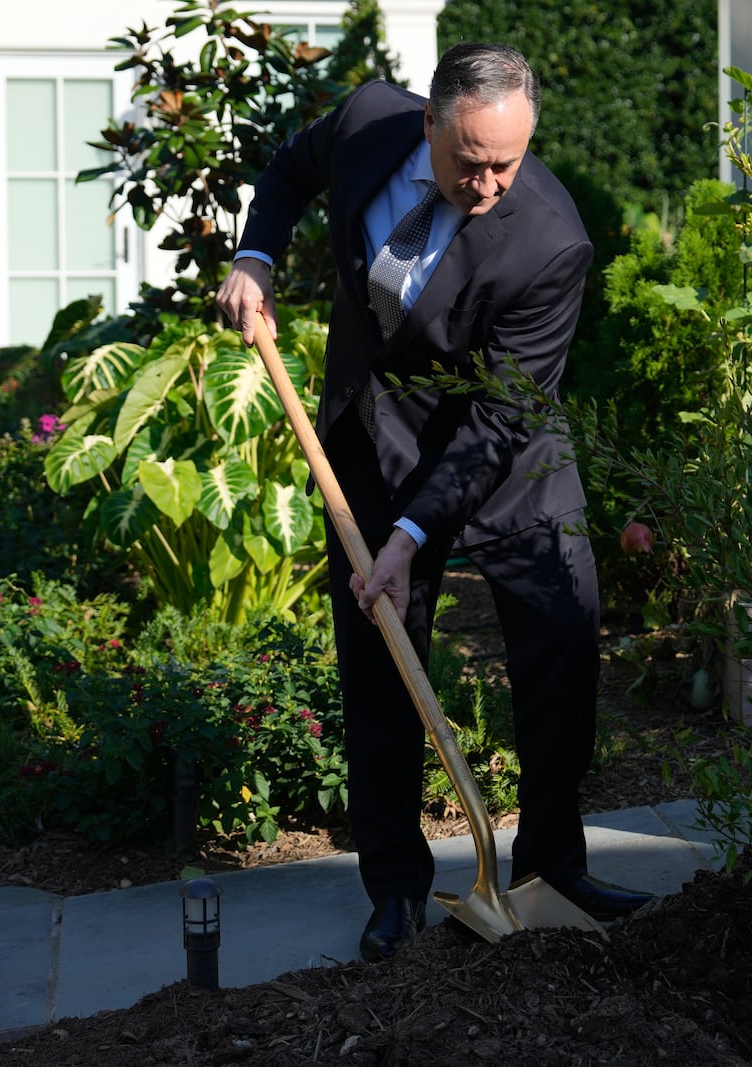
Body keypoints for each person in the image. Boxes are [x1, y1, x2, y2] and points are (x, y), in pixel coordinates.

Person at [218, 43, 651, 963]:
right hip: (374, 437)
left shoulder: (551, 238)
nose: (491, 183)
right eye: (470, 163)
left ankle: (552, 865)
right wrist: (257, 252)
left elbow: (498, 419)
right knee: (380, 662)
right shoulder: (370, 119)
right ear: (428, 124)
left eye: (509, 162)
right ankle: (395, 890)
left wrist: (417, 532)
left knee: (562, 645)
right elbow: (289, 171)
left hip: (508, 444)